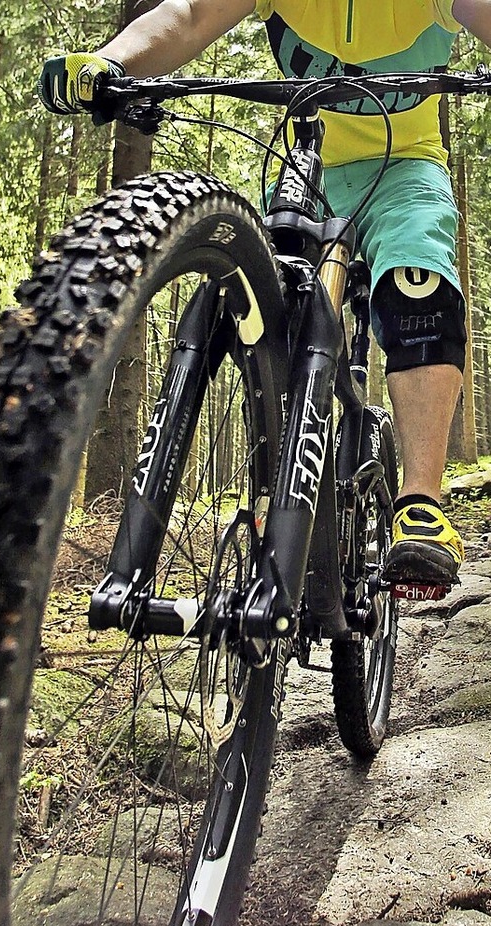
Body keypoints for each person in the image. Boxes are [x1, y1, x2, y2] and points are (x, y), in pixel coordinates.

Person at [37, 0, 491, 587]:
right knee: (266, 303)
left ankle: (420, 502)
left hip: (405, 170)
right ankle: (276, 481)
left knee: (417, 285)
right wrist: (108, 61)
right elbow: (190, 14)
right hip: (306, 172)